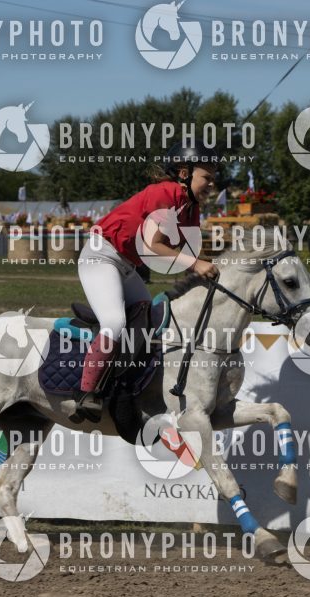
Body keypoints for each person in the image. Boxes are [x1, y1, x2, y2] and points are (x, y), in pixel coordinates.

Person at [70, 142, 220, 423]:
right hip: (100, 257)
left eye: (214, 178)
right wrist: (196, 265)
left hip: (127, 266)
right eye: (207, 177)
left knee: (149, 320)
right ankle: (86, 393)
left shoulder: (191, 207)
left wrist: (214, 267)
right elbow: (154, 246)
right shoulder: (165, 193)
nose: (212, 184)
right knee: (115, 322)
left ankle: (127, 383)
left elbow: (190, 252)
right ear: (184, 174)